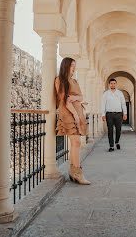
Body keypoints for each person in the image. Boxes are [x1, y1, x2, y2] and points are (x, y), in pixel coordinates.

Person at [54, 57, 90, 185]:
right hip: (69, 113)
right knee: (75, 141)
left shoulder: (74, 81)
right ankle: (77, 173)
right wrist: (74, 114)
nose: (73, 68)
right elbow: (64, 100)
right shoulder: (60, 80)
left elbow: (80, 97)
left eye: (74, 66)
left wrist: (74, 97)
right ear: (65, 66)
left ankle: (74, 171)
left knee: (77, 143)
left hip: (77, 113)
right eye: (71, 66)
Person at [101, 78, 127, 152]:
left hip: (119, 114)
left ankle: (117, 142)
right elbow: (103, 104)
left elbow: (123, 103)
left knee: (118, 129)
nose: (113, 85)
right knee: (110, 130)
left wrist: (125, 113)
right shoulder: (106, 93)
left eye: (114, 83)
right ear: (109, 85)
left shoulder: (120, 93)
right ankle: (111, 146)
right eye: (111, 83)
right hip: (109, 114)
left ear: (116, 84)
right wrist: (103, 114)